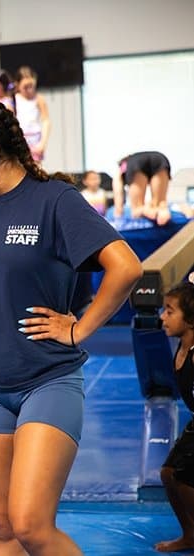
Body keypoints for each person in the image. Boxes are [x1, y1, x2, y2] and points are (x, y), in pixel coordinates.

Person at [0, 94, 142, 554]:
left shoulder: (54, 201)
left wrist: (79, 328)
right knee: (1, 529)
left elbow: (126, 267)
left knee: (31, 525)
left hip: (48, 380)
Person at [155, 278, 194, 553]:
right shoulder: (181, 348)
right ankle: (190, 535)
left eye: (170, 311)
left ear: (190, 320)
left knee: (182, 477)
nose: (162, 316)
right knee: (169, 473)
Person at [113, 151, 172, 226]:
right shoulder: (130, 161)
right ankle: (162, 212)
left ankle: (150, 212)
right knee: (160, 205)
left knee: (137, 209)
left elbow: (118, 194)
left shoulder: (122, 167)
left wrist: (118, 216)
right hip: (160, 158)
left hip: (136, 162)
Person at [14, 66, 50, 162]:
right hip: (20, 138)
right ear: (18, 85)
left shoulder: (39, 99)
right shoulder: (14, 99)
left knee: (36, 169)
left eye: (31, 86)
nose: (29, 90)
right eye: (25, 87)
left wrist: (43, 143)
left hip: (35, 139)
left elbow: (46, 121)